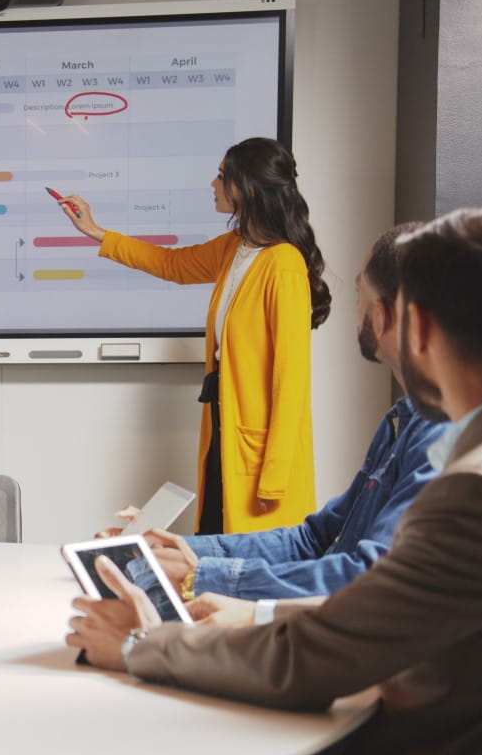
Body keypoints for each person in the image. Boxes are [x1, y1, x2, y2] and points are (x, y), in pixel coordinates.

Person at [0, 206, 482, 755]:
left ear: (413, 328)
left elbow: (312, 659)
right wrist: (234, 599)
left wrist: (140, 642)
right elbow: (382, 605)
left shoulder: (481, 491)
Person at [112, 222, 445, 603]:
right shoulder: (403, 422)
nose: (355, 310)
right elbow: (312, 538)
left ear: (383, 316)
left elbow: (365, 577)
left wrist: (198, 574)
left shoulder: (441, 436)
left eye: (359, 295)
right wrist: (177, 552)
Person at [58, 137, 329, 534]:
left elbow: (291, 382)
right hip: (223, 426)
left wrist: (274, 475)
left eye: (222, 176)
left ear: (247, 189)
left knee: (246, 556)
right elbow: (173, 264)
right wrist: (97, 232)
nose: (213, 184)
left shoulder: (283, 265)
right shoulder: (234, 248)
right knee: (215, 538)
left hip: (258, 452)